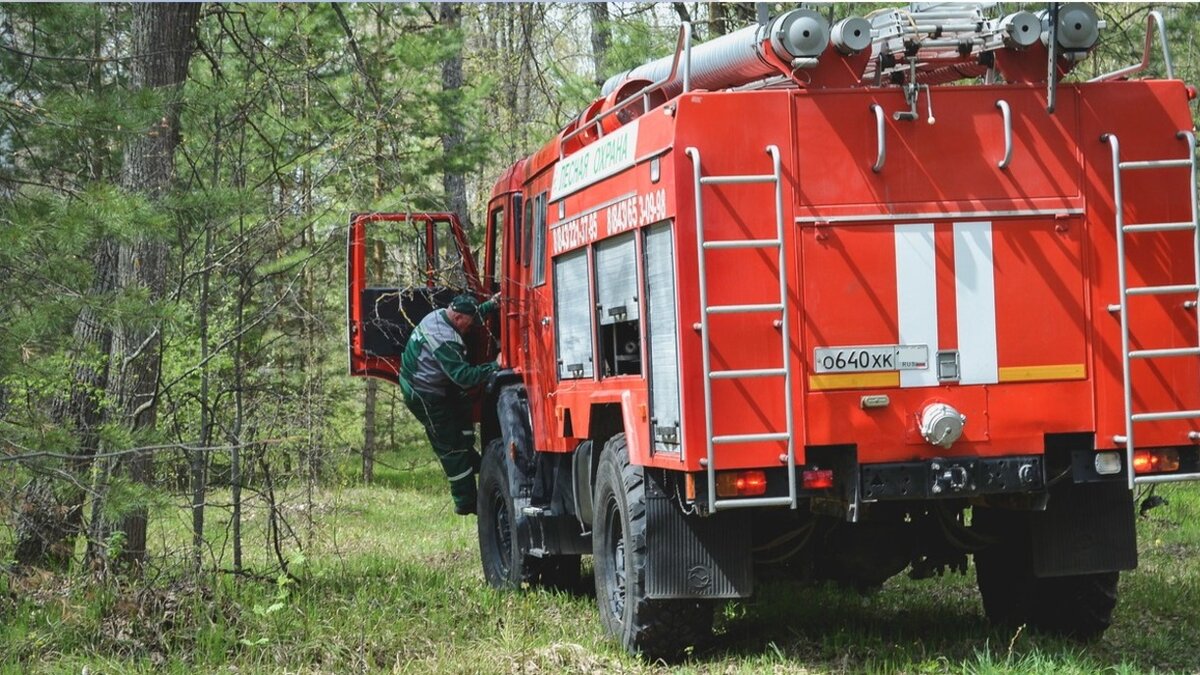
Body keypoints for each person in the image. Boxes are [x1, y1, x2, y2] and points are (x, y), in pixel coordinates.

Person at [399, 293, 499, 515]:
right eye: (469, 323)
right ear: (458, 319)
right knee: (451, 448)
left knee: (461, 406)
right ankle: (466, 503)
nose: (470, 328)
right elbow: (464, 377)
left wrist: (490, 305)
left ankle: (471, 458)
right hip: (424, 394)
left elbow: (471, 314)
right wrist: (494, 366)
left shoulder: (440, 315)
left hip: (424, 383)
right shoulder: (445, 339)